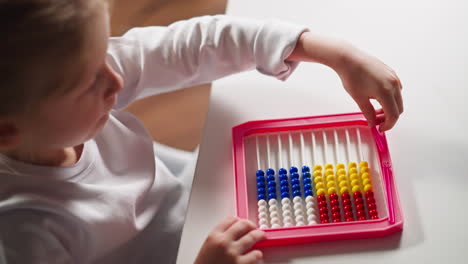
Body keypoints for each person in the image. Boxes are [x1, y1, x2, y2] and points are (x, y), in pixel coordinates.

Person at [0, 0, 403, 263]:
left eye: (105, 52)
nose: (116, 79)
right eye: (89, 82)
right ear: (7, 131)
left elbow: (195, 45)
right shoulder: (25, 236)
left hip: (190, 203)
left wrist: (336, 54)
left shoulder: (72, 72)